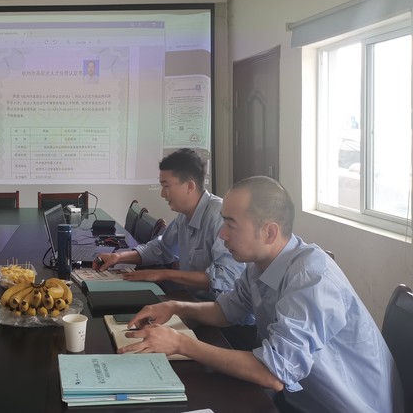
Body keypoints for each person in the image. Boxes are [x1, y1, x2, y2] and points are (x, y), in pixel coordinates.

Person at [121, 176, 403, 413]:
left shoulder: (311, 278)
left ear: (269, 232)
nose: (222, 235)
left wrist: (181, 344)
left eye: (231, 224)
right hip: (300, 400)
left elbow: (273, 373)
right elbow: (225, 311)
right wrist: (175, 307)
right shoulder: (259, 265)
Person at [94, 148, 245, 300]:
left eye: (166, 186)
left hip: (218, 309)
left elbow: (225, 278)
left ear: (190, 186)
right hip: (191, 299)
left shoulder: (219, 216)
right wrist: (118, 257)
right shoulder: (184, 216)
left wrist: (164, 274)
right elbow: (162, 248)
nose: (162, 194)